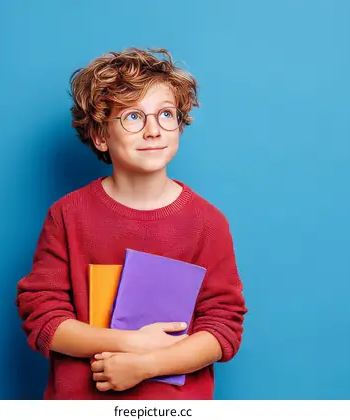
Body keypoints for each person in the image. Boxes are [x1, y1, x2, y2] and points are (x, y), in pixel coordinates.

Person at [15, 47, 247, 400]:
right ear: (101, 136)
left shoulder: (208, 222)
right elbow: (43, 316)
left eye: (166, 114)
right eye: (134, 117)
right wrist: (129, 343)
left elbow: (222, 327)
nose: (153, 130)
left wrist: (147, 365)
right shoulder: (67, 214)